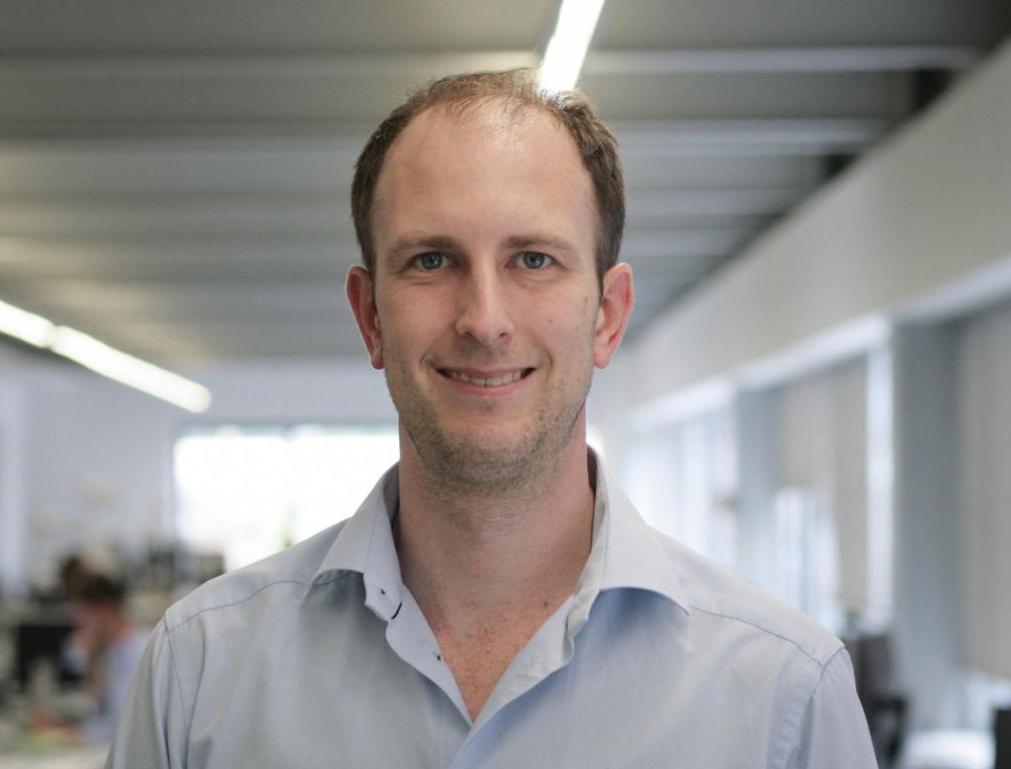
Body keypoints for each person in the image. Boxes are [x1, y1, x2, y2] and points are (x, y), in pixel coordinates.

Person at [108, 69, 878, 768]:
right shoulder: (199, 670)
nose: (484, 319)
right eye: (432, 261)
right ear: (370, 316)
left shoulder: (784, 694)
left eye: (534, 259)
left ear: (607, 317)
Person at [67, 573, 150, 744]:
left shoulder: (140, 650)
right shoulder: (111, 652)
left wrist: (69, 734)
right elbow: (101, 714)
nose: (82, 628)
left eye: (84, 618)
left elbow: (121, 728)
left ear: (104, 610)